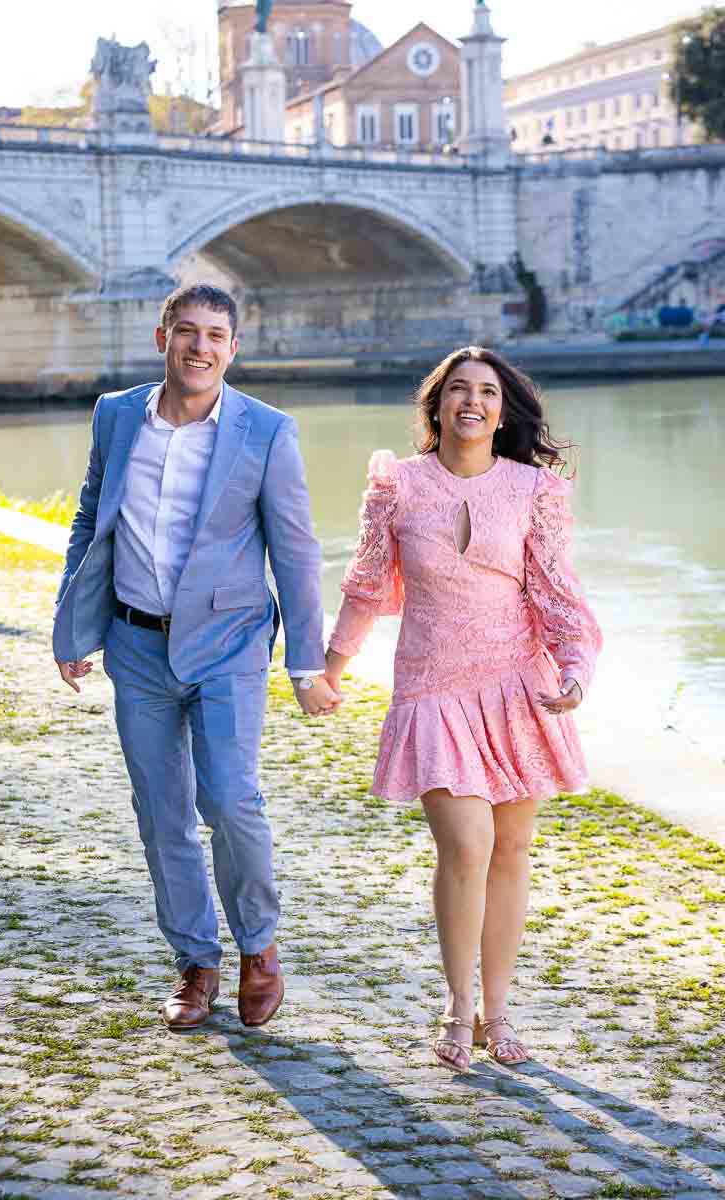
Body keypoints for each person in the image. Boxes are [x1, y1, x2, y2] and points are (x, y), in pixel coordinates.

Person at [53, 284, 340, 1032]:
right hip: (136, 644)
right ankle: (195, 962)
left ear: (233, 348)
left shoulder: (268, 431)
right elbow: (91, 515)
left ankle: (258, 948)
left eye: (216, 335)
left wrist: (307, 664)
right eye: (187, 332)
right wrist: (71, 626)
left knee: (231, 799)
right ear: (162, 338)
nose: (200, 347)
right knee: (163, 815)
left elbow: (297, 549)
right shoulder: (116, 415)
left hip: (228, 644)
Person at [324, 346, 602, 1070]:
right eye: (458, 390)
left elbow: (557, 591)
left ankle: (497, 1010)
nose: (471, 402)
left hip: (516, 687)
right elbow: (366, 586)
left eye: (486, 392)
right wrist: (332, 666)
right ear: (437, 405)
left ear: (502, 411)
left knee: (510, 851)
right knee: (467, 844)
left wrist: (575, 670)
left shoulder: (533, 490)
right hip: (432, 689)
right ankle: (455, 1006)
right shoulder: (397, 485)